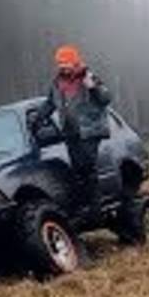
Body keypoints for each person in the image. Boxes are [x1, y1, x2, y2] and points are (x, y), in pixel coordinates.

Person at [31, 44, 112, 220]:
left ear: (75, 63)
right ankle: (87, 205)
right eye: (60, 63)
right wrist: (38, 119)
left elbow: (106, 99)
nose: (62, 67)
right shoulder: (57, 82)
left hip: (90, 129)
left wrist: (93, 87)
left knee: (87, 164)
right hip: (70, 131)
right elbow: (50, 103)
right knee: (78, 168)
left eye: (66, 63)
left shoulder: (88, 77)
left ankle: (96, 207)